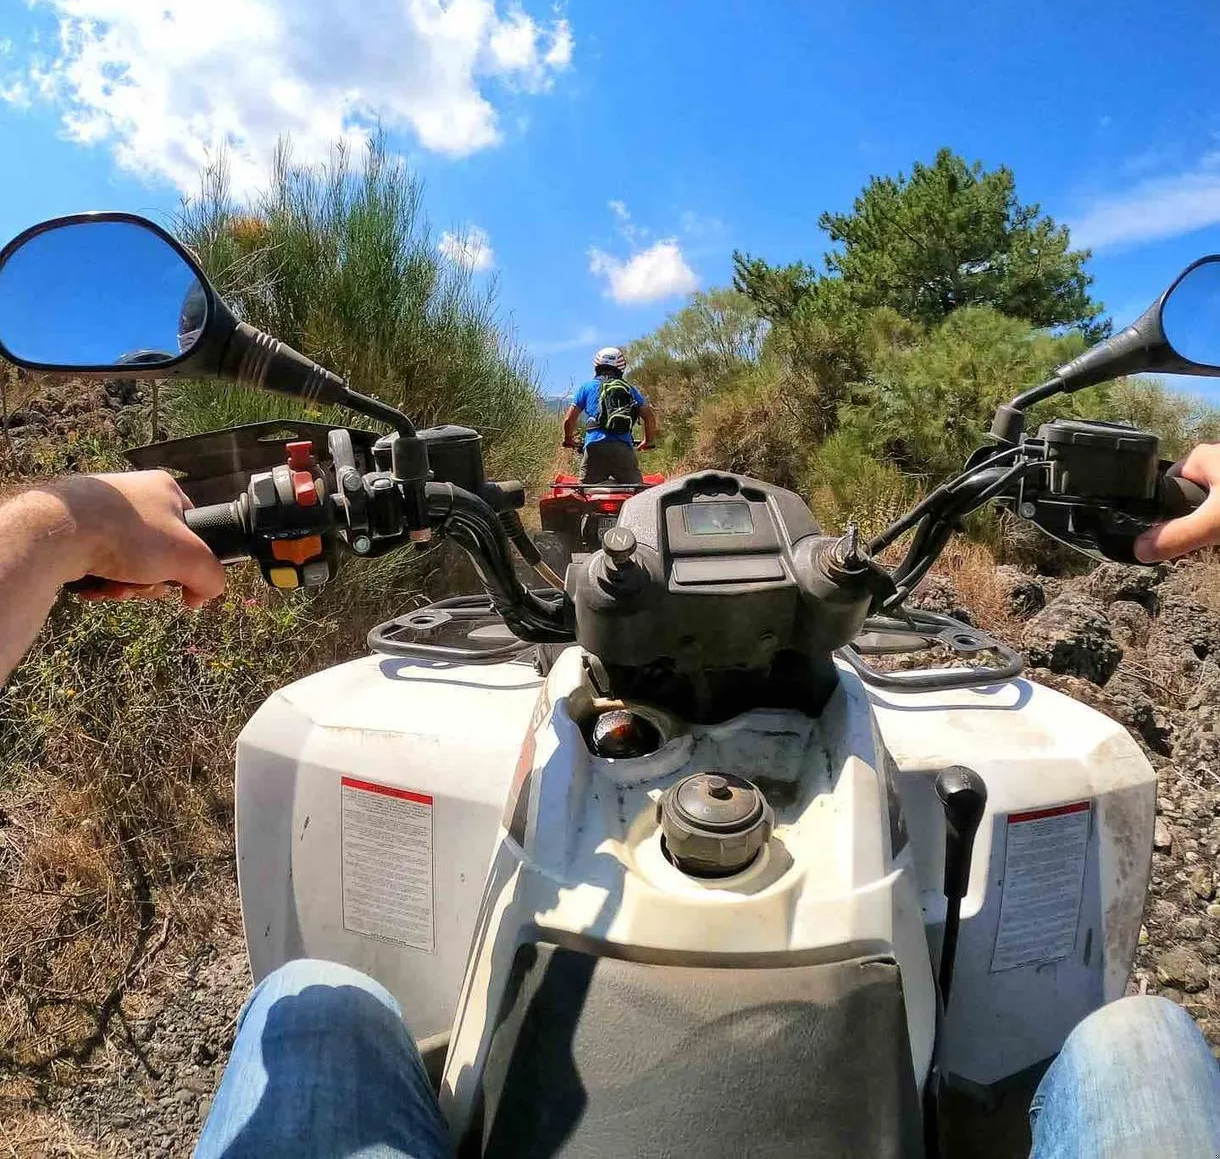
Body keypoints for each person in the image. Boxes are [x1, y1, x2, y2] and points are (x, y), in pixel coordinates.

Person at [3, 447, 1220, 1156]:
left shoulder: (611, 428)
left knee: (311, 998)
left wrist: (60, 528)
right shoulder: (602, 424)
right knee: (1138, 1035)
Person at [561, 346, 658, 484]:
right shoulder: (629, 389)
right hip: (623, 449)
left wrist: (569, 439)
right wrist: (648, 441)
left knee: (584, 492)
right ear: (621, 368)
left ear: (597, 365)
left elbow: (568, 420)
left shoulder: (586, 387)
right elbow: (649, 417)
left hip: (595, 448)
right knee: (636, 491)